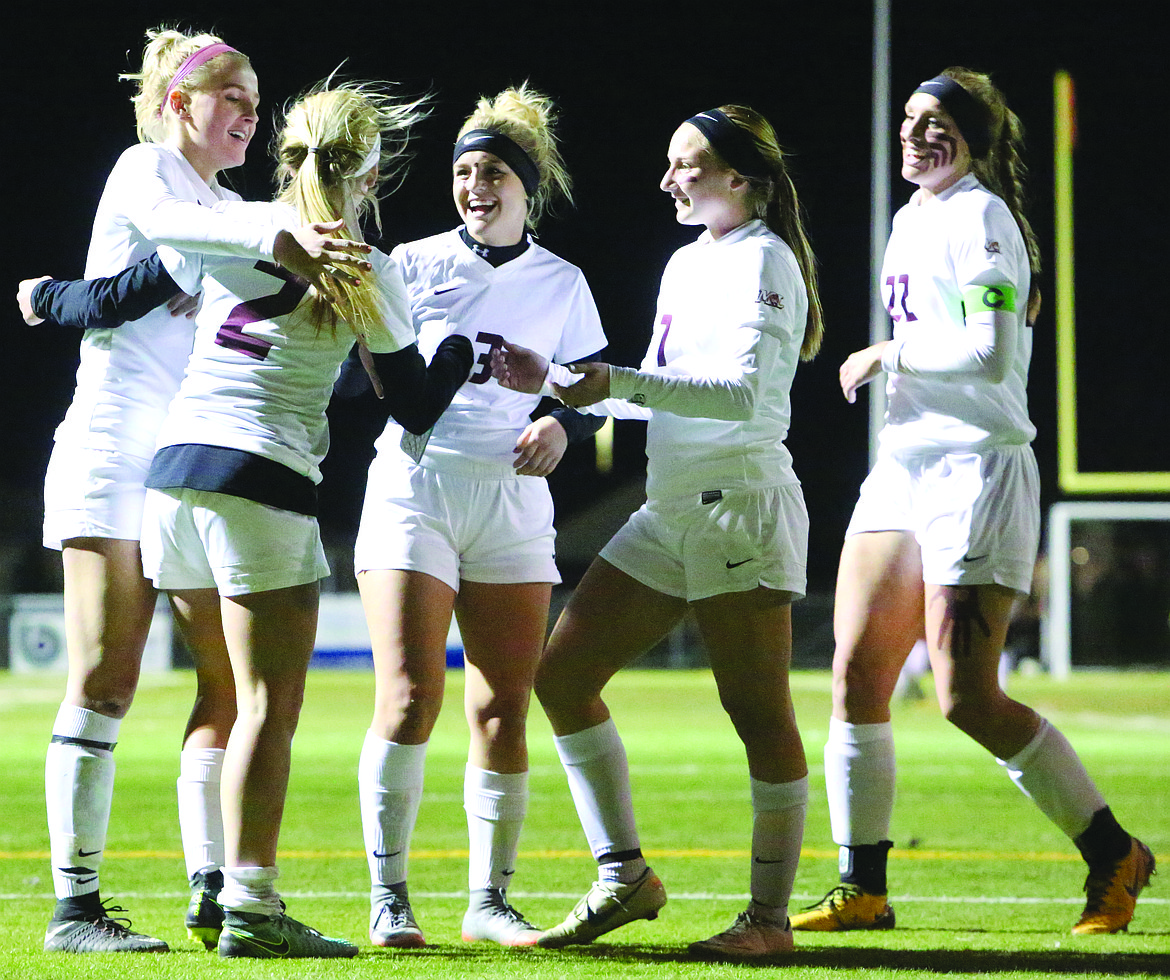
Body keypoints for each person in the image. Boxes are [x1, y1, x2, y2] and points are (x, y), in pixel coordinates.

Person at [27, 81, 473, 958]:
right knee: (267, 705)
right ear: (372, 169)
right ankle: (251, 906)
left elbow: (123, 294)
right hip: (259, 479)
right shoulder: (359, 262)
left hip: (172, 480)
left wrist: (47, 297)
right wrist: (454, 353)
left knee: (223, 694)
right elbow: (411, 404)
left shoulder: (231, 225)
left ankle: (209, 887)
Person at [789, 67, 1154, 938]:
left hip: (977, 471)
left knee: (964, 697)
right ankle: (862, 887)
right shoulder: (910, 219)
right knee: (855, 674)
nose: (915, 133)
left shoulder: (985, 217)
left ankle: (1113, 850)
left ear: (975, 138)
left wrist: (890, 354)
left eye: (936, 122)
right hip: (903, 467)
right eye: (909, 119)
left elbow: (990, 355)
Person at [493, 104, 824, 960]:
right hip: (672, 505)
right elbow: (657, 387)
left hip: (738, 505)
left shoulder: (766, 259)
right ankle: (624, 875)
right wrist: (564, 385)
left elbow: (739, 397)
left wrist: (615, 380)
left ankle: (768, 921)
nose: (669, 178)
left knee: (758, 714)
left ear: (738, 178)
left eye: (686, 164)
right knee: (562, 677)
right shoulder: (686, 262)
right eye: (671, 163)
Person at [351, 83, 607, 949]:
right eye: (463, 171)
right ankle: (390, 896)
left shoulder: (563, 282)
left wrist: (560, 427)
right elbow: (373, 383)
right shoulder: (412, 263)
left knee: (503, 706)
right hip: (416, 489)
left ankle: (488, 898)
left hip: (510, 497)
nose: (474, 186)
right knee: (412, 696)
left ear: (526, 186)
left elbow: (592, 391)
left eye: (493, 170)